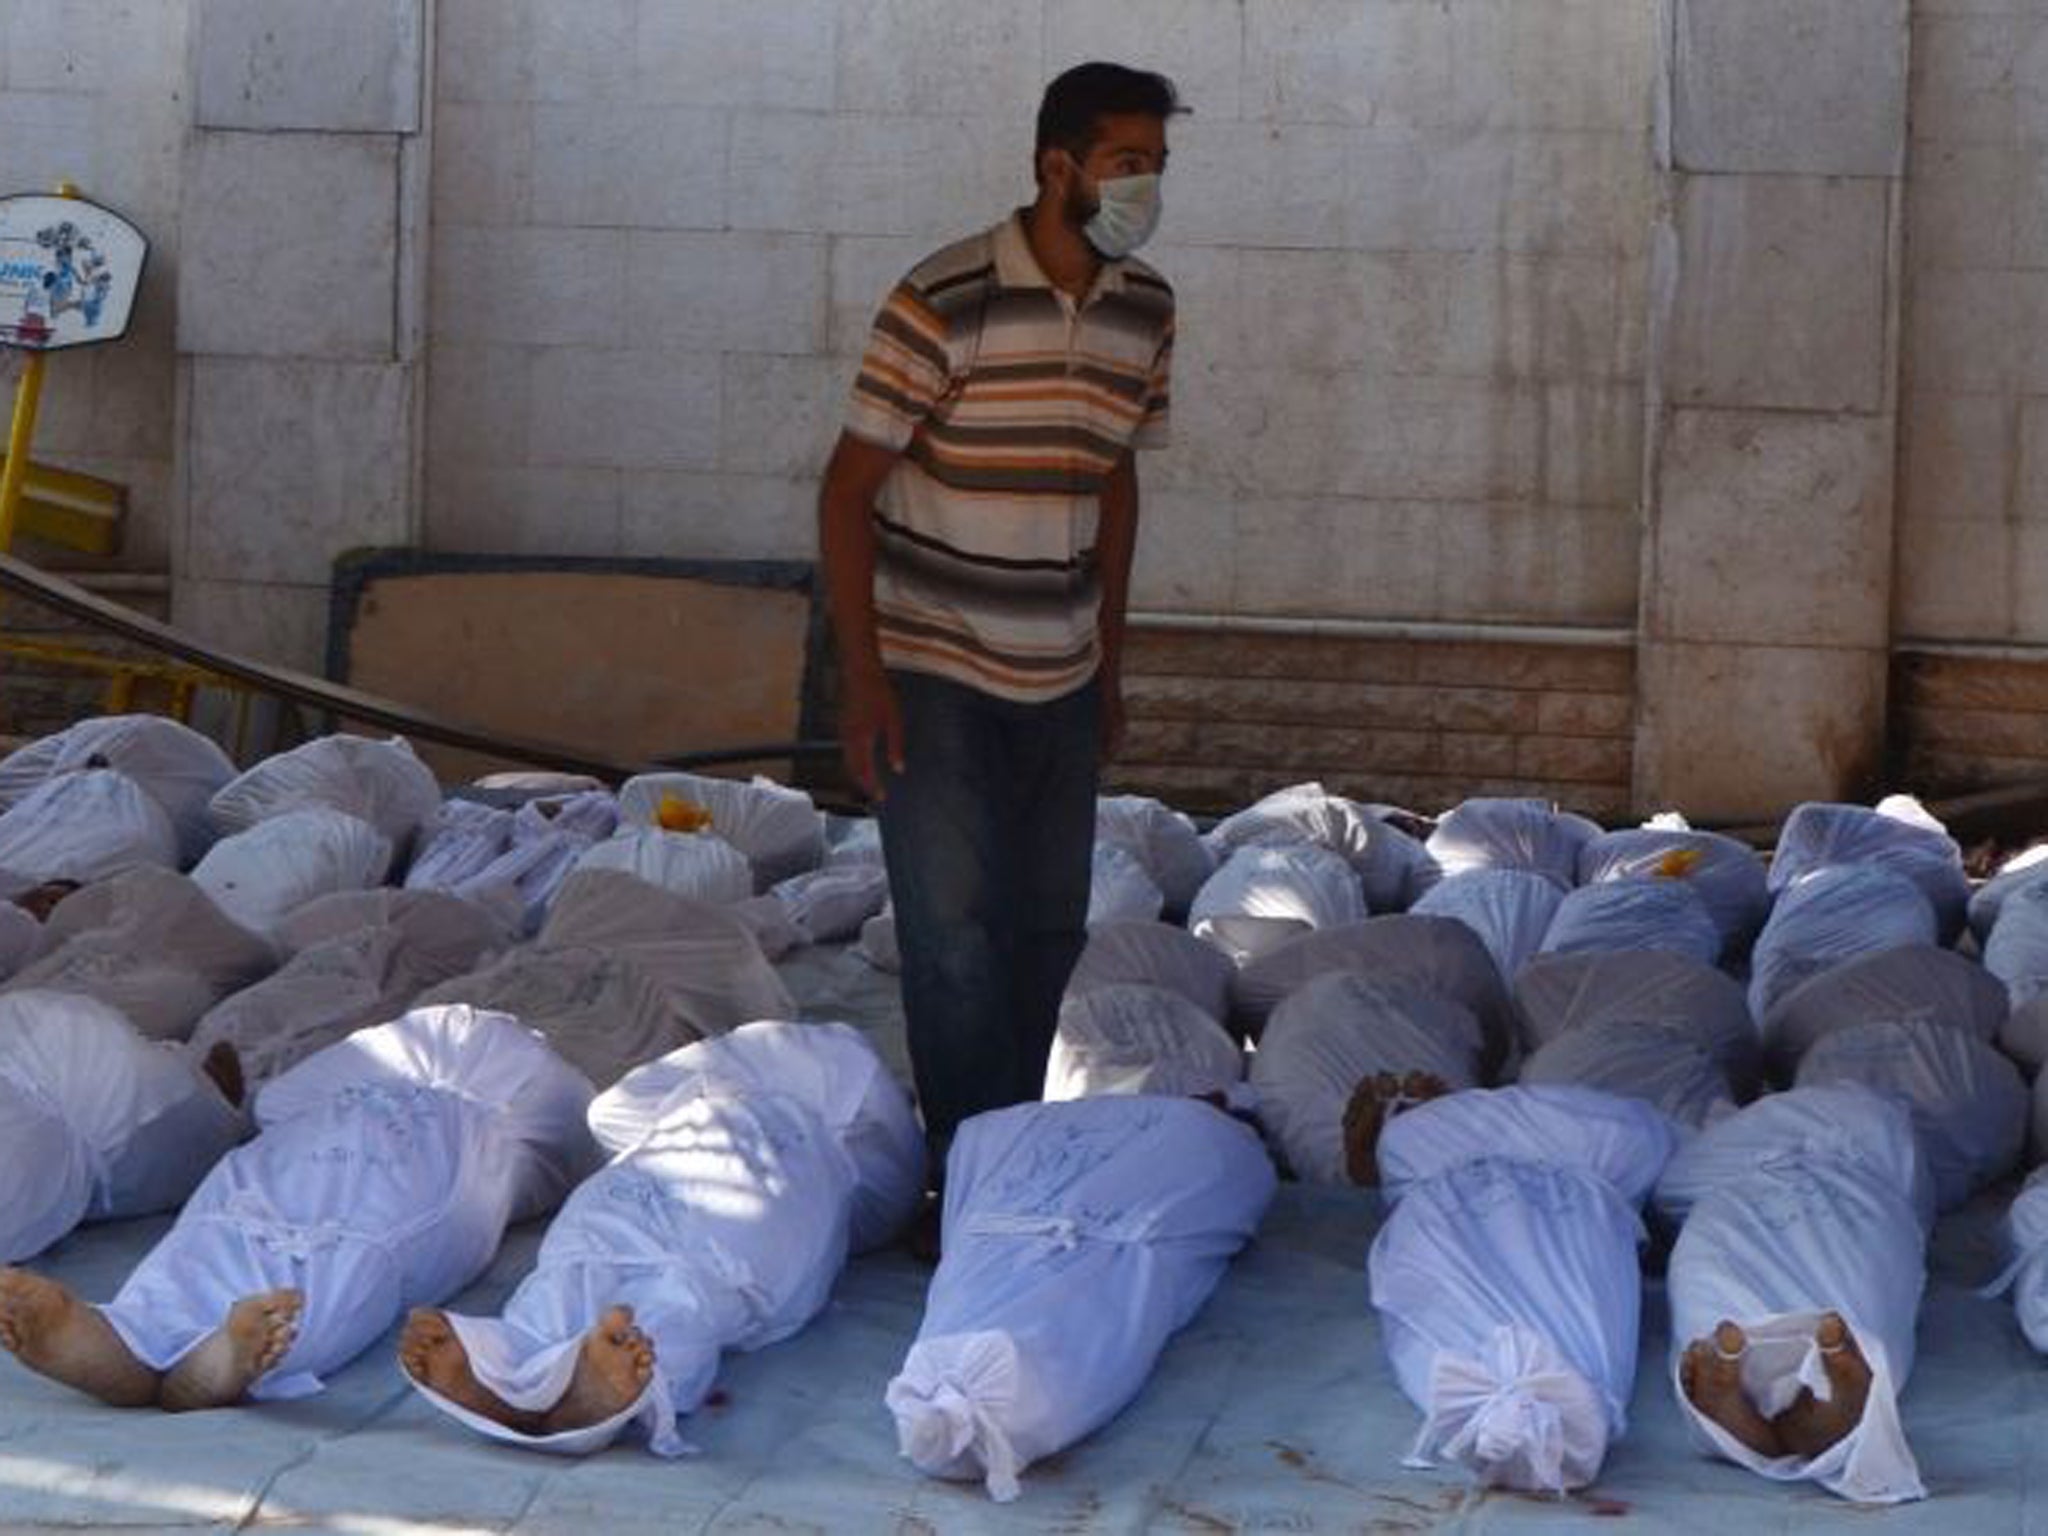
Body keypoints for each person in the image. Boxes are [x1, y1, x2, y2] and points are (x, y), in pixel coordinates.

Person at [816, 62, 1182, 1189]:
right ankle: (960, 1175)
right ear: (1054, 166)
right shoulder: (943, 299)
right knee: (955, 942)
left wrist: (1107, 665)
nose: (1144, 189)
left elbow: (1114, 485)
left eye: (1155, 168)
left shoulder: (1144, 311)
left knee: (1041, 936)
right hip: (935, 671)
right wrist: (864, 680)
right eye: (1126, 164)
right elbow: (845, 490)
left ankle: (1007, 1154)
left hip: (1059, 675)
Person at [0, 1005, 595, 1412]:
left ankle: (207, 1358)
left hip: (382, 1180)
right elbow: (279, 1104)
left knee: (330, 1251)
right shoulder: (511, 1096)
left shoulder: (513, 1117)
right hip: (301, 1169)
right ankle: (123, 1346)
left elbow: (570, 1142)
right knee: (224, 1236)